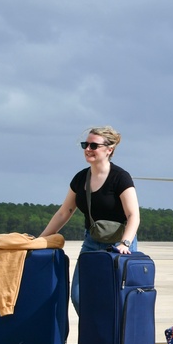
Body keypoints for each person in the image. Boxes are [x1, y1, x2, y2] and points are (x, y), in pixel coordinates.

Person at [39, 126, 141, 314]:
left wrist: (125, 243)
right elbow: (64, 212)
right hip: (92, 242)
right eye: (85, 145)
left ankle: (114, 339)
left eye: (94, 145)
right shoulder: (80, 178)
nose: (88, 149)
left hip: (120, 244)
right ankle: (94, 334)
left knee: (116, 298)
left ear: (109, 149)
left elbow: (133, 215)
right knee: (79, 296)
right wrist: (41, 239)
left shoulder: (120, 178)